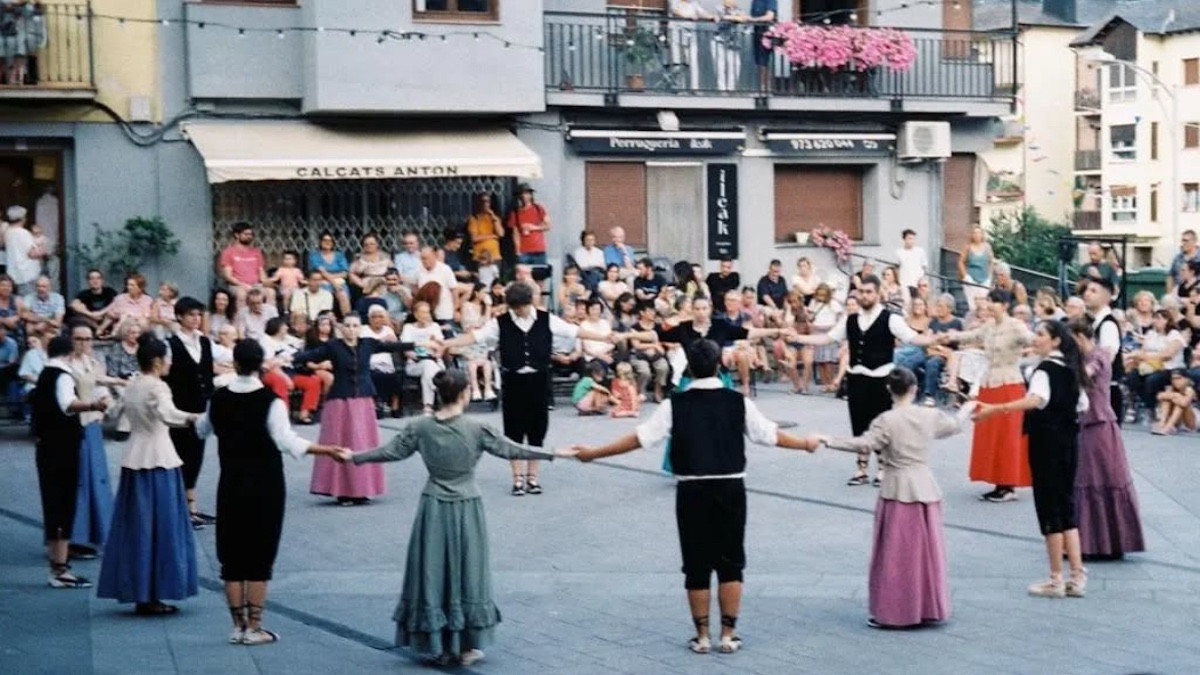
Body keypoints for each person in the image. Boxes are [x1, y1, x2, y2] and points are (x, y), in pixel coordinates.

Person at [560, 339, 817, 655]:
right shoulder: (738, 402)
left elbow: (639, 439)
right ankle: (728, 635)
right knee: (731, 563)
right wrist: (805, 444)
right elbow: (770, 435)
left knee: (696, 564)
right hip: (730, 488)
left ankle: (702, 636)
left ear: (689, 370)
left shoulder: (675, 404)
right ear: (720, 366)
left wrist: (594, 453)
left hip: (692, 490)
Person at [335, 369, 556, 667]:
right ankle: (466, 645)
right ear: (465, 394)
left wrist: (354, 457)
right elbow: (512, 449)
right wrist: (555, 453)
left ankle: (438, 644)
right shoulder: (477, 427)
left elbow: (391, 452)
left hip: (433, 506)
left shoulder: (420, 426)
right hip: (466, 504)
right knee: (468, 569)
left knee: (432, 569)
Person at [195, 339, 345, 645]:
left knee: (232, 556)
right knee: (260, 553)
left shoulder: (219, 398)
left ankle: (237, 626)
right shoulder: (270, 401)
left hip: (231, 481)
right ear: (260, 365)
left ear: (235, 363)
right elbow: (287, 441)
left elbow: (201, 429)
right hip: (266, 484)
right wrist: (327, 449)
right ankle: (255, 626)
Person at [816, 367, 975, 629]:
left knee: (896, 556)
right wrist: (968, 408)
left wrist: (828, 440)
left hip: (896, 489)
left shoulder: (886, 420)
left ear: (889, 389)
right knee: (927, 554)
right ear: (914, 389)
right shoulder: (929, 415)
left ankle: (897, 612)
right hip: (925, 487)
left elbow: (864, 444)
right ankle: (928, 607)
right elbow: (955, 425)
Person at [441, 281, 628, 496]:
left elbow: (575, 331)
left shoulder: (547, 319)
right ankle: (517, 478)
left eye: (520, 308)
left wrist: (604, 336)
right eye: (514, 308)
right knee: (513, 432)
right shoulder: (500, 322)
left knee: (537, 430)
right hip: (513, 380)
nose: (518, 312)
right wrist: (447, 343)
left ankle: (533, 477)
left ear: (529, 302)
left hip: (539, 379)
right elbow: (475, 336)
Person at [974, 321, 1090, 599]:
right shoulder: (1072, 369)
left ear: (1055, 340)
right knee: (1066, 506)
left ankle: (1055, 578)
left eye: (1040, 335)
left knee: (1049, 507)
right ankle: (1077, 575)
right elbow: (1083, 404)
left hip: (1047, 443)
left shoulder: (1044, 370)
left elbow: (1036, 399)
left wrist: (996, 408)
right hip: (1069, 442)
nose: (1035, 339)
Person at [790, 275, 937, 486]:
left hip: (881, 378)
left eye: (869, 292)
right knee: (859, 423)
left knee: (881, 424)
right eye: (862, 292)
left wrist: (936, 339)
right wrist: (799, 338)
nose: (864, 296)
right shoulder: (850, 319)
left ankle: (883, 469)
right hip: (856, 377)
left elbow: (912, 337)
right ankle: (861, 468)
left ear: (877, 294)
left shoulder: (890, 318)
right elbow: (827, 338)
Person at [96, 335, 201, 615]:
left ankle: (140, 590)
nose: (169, 363)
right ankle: (155, 592)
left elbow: (113, 412)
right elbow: (168, 414)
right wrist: (194, 418)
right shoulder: (158, 386)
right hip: (159, 459)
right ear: (156, 361)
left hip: (134, 458)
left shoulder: (132, 384)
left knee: (137, 527)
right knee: (162, 526)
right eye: (166, 358)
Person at [293, 314, 409, 505]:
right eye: (347, 325)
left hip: (363, 401)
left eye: (355, 326)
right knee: (341, 442)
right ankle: (343, 491)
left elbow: (392, 346)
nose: (351, 329)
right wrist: (288, 357)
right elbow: (309, 356)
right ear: (342, 328)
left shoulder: (368, 343)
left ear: (360, 328)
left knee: (363, 443)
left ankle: (363, 489)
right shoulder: (333, 346)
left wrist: (421, 345)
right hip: (340, 401)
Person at [31, 334, 108, 589]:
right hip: (61, 449)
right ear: (69, 353)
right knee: (63, 505)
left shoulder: (45, 373)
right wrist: (94, 404)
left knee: (53, 505)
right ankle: (61, 570)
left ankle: (57, 565)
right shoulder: (63, 376)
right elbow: (67, 404)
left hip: (46, 447)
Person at [941, 288, 1032, 503]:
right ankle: (998, 481)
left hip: (1009, 383)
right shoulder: (989, 326)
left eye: (994, 301)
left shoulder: (1016, 326)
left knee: (1007, 434)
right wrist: (949, 336)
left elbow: (1031, 339)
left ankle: (1008, 485)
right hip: (989, 384)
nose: (990, 305)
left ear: (1005, 305)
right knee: (991, 434)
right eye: (989, 301)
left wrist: (1046, 344)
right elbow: (971, 335)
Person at [1068, 320, 1145, 560]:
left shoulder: (1097, 356)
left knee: (1095, 479)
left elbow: (1087, 374)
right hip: (1091, 423)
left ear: (1080, 337)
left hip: (1098, 425)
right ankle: (1098, 542)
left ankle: (1098, 543)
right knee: (1091, 479)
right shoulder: (1090, 356)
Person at [162, 297, 216, 529]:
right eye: (191, 315)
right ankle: (180, 509)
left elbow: (208, 370)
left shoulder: (204, 341)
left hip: (201, 407)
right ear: (180, 317)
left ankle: (192, 508)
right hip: (179, 408)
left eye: (198, 315)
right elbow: (165, 373)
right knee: (180, 455)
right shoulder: (170, 344)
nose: (196, 319)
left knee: (196, 456)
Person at [65, 322, 115, 558]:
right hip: (76, 426)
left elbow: (102, 389)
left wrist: (106, 403)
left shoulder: (94, 363)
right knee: (80, 482)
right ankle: (75, 539)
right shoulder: (66, 365)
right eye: (79, 339)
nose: (84, 343)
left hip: (93, 426)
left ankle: (96, 534)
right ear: (71, 340)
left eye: (87, 339)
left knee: (97, 480)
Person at [399, 301, 446, 415]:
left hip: (435, 362)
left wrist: (437, 351)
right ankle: (433, 390)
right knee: (427, 365)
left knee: (428, 368)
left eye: (427, 312)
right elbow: (406, 349)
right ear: (416, 314)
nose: (426, 315)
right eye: (423, 312)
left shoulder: (434, 327)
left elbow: (441, 347)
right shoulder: (408, 328)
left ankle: (428, 406)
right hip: (415, 364)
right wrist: (415, 355)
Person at [219, 222, 274, 306]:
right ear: (237, 235)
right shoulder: (228, 252)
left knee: (270, 292)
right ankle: (242, 315)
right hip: (237, 285)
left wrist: (266, 282)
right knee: (241, 294)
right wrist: (243, 285)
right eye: (246, 234)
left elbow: (261, 272)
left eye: (251, 234)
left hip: (256, 285)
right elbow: (228, 276)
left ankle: (270, 315)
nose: (249, 236)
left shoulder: (256, 252)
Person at [307, 230, 352, 316]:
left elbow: (345, 273)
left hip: (338, 281)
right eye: (325, 240)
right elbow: (322, 272)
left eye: (330, 240)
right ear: (320, 242)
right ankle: (324, 319)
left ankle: (348, 319)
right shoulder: (315, 255)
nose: (327, 242)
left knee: (343, 294)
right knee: (326, 295)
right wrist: (334, 283)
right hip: (321, 281)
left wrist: (333, 280)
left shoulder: (339, 255)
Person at [97, 273, 153, 338]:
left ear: (140, 288)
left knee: (142, 321)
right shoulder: (120, 298)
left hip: (141, 330)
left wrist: (134, 317)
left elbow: (149, 318)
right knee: (125, 318)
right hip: (123, 329)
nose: (129, 287)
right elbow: (110, 316)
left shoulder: (148, 300)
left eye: (132, 285)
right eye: (128, 285)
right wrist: (100, 330)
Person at [507, 183, 550, 265]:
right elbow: (515, 233)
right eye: (522, 194)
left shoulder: (538, 208)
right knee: (523, 272)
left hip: (539, 250)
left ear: (531, 195)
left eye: (527, 193)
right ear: (519, 196)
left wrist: (533, 227)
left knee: (539, 271)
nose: (524, 196)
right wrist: (517, 250)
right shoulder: (515, 212)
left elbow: (548, 225)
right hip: (524, 251)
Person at [3, 205, 41, 295]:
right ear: (22, 218)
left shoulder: (7, 233)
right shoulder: (23, 233)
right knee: (28, 299)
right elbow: (32, 253)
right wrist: (42, 249)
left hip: (13, 273)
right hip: (27, 273)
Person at [957, 225, 994, 313]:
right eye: (974, 233)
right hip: (971, 279)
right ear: (972, 235)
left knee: (983, 302)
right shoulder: (968, 247)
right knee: (973, 304)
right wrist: (965, 276)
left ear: (982, 234)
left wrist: (990, 276)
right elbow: (960, 262)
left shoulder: (987, 247)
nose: (977, 235)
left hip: (984, 279)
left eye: (979, 233)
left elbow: (991, 262)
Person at [466, 192, 505, 268]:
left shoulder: (495, 218)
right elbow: (474, 238)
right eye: (483, 201)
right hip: (480, 256)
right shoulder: (474, 219)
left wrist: (493, 216)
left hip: (494, 255)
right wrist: (492, 236)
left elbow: (500, 234)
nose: (485, 204)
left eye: (488, 201)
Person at [1154, 369, 1196, 434]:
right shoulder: (1170, 388)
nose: (1175, 381)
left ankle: (1168, 427)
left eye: (1179, 378)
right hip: (1177, 420)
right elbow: (1159, 396)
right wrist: (1176, 395)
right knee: (1166, 400)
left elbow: (1184, 403)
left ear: (1186, 379)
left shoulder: (1189, 390)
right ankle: (1161, 424)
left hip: (1190, 422)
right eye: (1173, 379)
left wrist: (1175, 396)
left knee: (1180, 404)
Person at [748, 0, 777, 91]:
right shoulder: (755, 1)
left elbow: (770, 16)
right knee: (758, 60)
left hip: (766, 33)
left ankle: (766, 88)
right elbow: (752, 16)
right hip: (757, 32)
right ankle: (761, 87)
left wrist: (754, 20)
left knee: (764, 60)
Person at [895, 229, 927, 298]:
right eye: (909, 238)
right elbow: (896, 268)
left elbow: (924, 266)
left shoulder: (920, 251)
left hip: (917, 284)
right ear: (904, 239)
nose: (912, 241)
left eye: (913, 239)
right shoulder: (899, 252)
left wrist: (921, 280)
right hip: (904, 284)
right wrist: (898, 282)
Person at [1166, 230, 1199, 295]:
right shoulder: (1177, 258)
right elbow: (1170, 276)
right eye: (1182, 241)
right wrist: (1170, 293)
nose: (1183, 243)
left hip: (1196, 295)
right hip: (1178, 294)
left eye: (1186, 240)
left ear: (1194, 241)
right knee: (1166, 299)